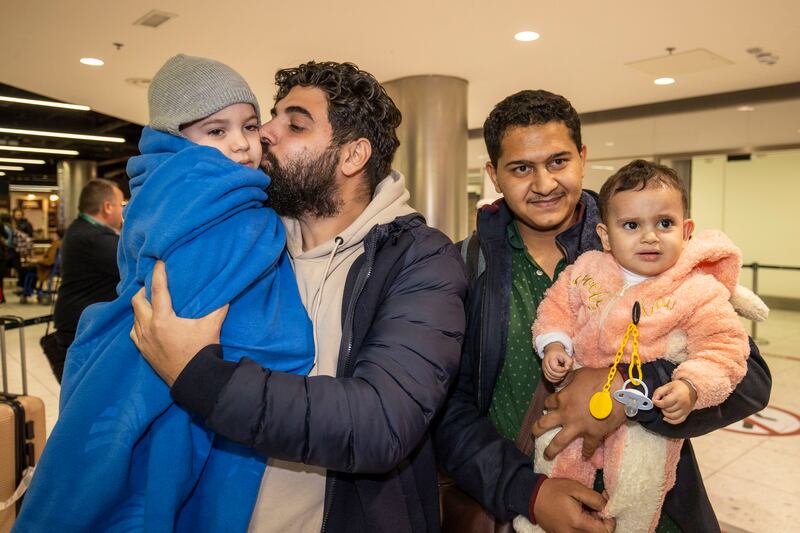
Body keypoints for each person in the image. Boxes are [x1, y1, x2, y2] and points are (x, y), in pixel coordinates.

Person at [128, 61, 467, 533]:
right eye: (272, 116)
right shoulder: (249, 238)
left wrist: (200, 375)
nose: (264, 132)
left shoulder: (421, 260)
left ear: (352, 157)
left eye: (295, 123)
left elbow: (381, 422)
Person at [433, 90, 772, 533]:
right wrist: (527, 493)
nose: (544, 184)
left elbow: (750, 380)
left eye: (558, 161)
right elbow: (446, 409)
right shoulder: (464, 267)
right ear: (494, 175)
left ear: (582, 157)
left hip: (658, 511)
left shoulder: (639, 241)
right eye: (521, 168)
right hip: (527, 508)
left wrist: (629, 392)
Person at [15, 54, 314, 532]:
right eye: (215, 131)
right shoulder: (214, 201)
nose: (241, 144)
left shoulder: (172, 196)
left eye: (249, 125)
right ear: (174, 142)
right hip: (179, 391)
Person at [529, 159, 766, 532]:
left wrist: (691, 385)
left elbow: (725, 348)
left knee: (640, 483)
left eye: (665, 223)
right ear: (606, 236)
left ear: (686, 230)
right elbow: (556, 307)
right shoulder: (588, 271)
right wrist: (554, 343)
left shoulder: (696, 289)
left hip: (645, 424)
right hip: (575, 403)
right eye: (632, 225)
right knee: (556, 455)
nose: (650, 236)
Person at [44, 179, 123, 381]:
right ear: (107, 207)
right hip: (84, 328)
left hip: (77, 323)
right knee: (94, 394)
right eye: (120, 205)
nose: (123, 212)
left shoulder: (79, 229)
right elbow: (136, 263)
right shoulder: (95, 238)